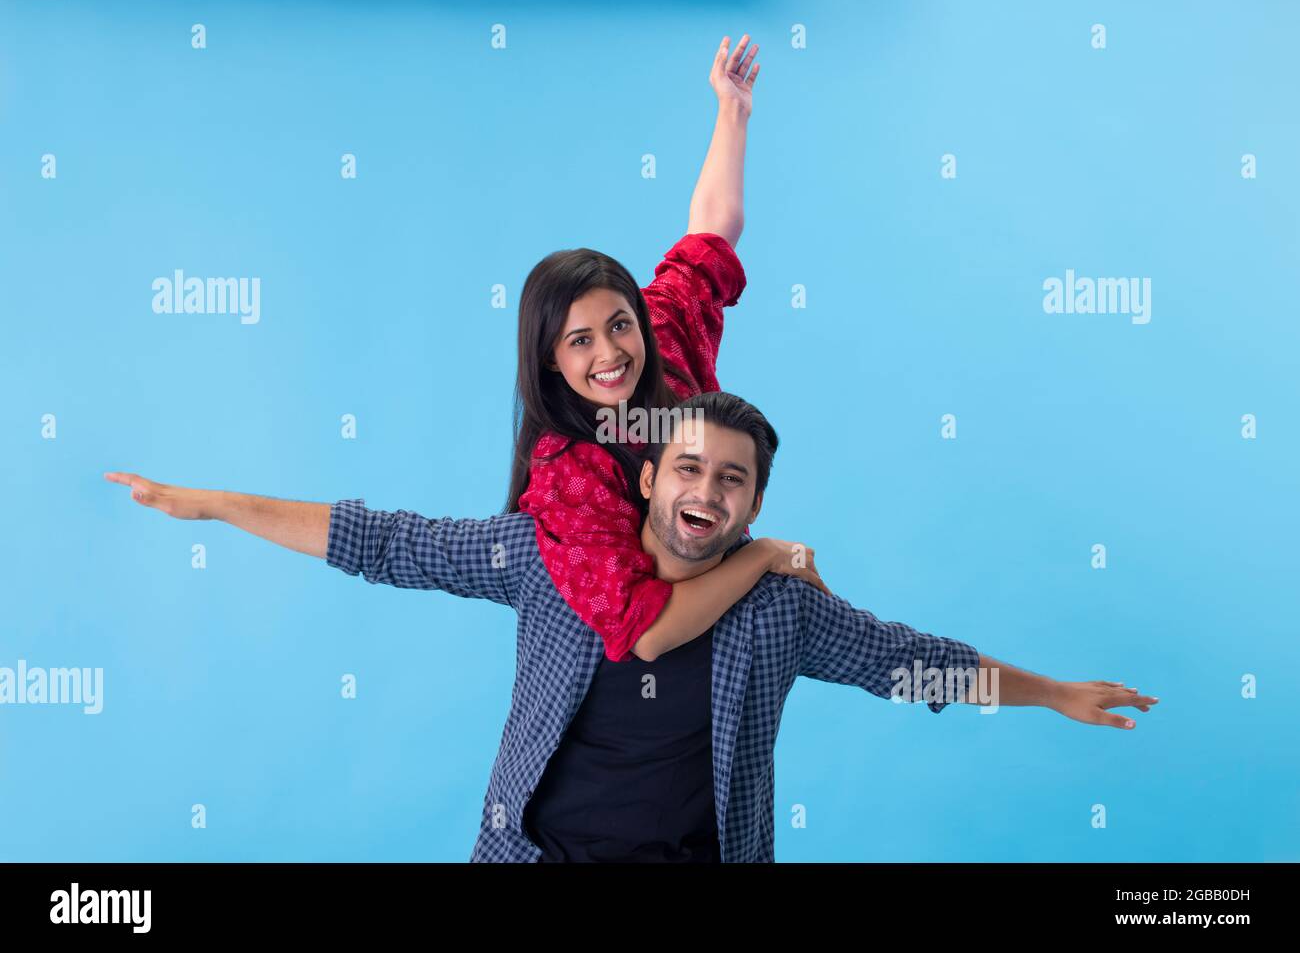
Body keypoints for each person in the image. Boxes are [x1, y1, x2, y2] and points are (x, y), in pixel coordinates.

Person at [103, 390, 1159, 862]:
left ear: (751, 505)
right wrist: (217, 506)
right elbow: (389, 542)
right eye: (690, 467)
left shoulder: (779, 612)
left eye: (734, 483)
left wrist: (1053, 693)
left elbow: (912, 667)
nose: (709, 490)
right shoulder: (553, 560)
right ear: (649, 475)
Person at [507, 33, 826, 667]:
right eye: (579, 341)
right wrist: (765, 554)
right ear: (550, 358)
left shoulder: (663, 330)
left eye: (619, 325)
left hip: (728, 615)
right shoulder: (567, 469)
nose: (611, 354)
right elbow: (641, 632)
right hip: (619, 667)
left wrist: (732, 111)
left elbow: (712, 230)